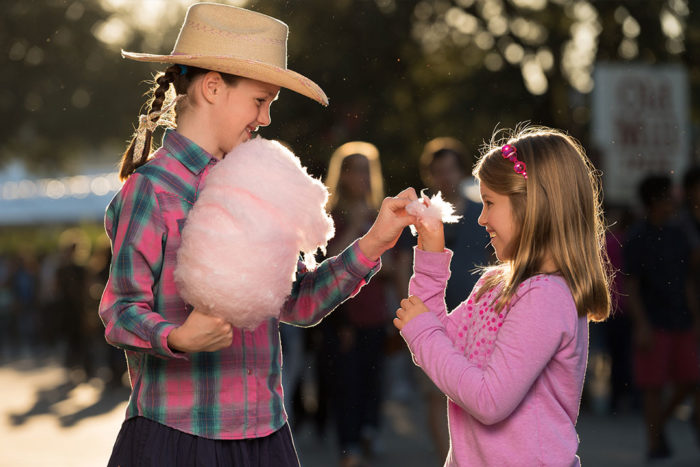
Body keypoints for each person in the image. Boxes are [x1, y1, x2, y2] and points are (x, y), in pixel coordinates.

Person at [98, 4, 417, 467]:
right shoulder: (152, 191)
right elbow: (119, 312)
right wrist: (177, 337)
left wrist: (374, 242)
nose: (265, 119)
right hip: (178, 438)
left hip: (266, 436)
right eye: (259, 100)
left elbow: (300, 301)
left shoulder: (259, 183)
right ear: (212, 87)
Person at [393, 125, 611, 466]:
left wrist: (421, 331)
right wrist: (431, 253)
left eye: (489, 203)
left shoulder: (547, 297)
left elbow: (489, 401)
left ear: (532, 206)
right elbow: (440, 346)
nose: (481, 218)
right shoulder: (495, 285)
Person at [413, 137, 491, 461]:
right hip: (433, 315)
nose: (444, 177)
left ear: (462, 172)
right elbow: (409, 264)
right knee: (436, 394)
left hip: (479, 318)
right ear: (430, 176)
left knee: (473, 392)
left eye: (450, 169)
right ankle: (446, 457)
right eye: (438, 171)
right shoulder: (421, 216)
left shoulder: (481, 213)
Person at [319, 142, 393, 466]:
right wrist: (355, 226)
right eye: (355, 170)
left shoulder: (381, 214)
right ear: (343, 174)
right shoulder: (331, 214)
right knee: (346, 385)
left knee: (373, 382)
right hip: (343, 316)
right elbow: (329, 264)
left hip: (375, 313)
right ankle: (348, 447)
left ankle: (367, 434)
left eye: (366, 169)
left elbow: (392, 264)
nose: (361, 177)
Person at [623, 174, 700, 460]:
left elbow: (689, 280)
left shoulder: (679, 233)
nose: (674, 201)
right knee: (653, 387)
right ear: (655, 200)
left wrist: (696, 318)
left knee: (692, 379)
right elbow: (631, 285)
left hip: (681, 319)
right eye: (668, 196)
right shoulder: (638, 237)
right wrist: (641, 324)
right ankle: (654, 444)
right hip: (653, 322)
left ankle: (662, 426)